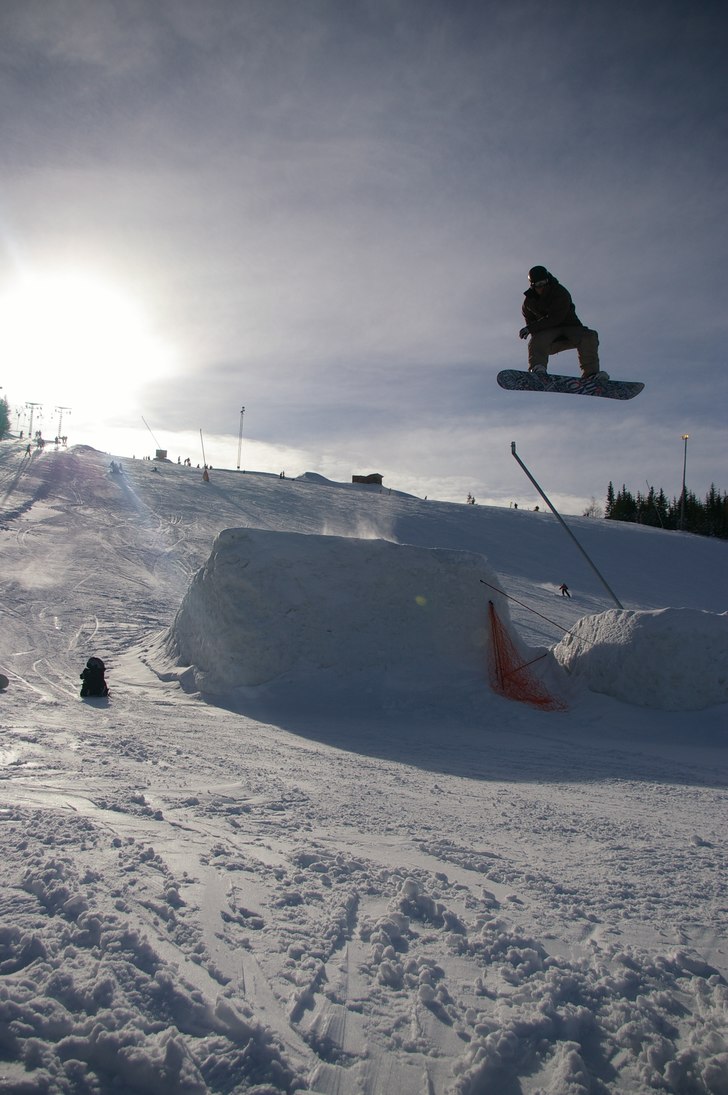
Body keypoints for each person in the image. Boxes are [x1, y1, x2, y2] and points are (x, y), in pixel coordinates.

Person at [519, 266, 608, 381]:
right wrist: (531, 330)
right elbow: (532, 325)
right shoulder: (528, 303)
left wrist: (530, 328)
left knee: (589, 336)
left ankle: (591, 374)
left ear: (548, 280)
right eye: (538, 284)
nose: (542, 287)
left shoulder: (560, 292)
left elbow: (556, 318)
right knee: (537, 339)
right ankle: (537, 368)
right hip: (550, 335)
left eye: (544, 282)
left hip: (569, 327)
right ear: (533, 286)